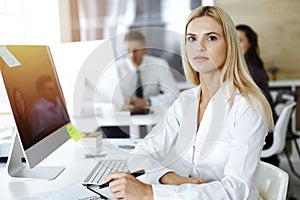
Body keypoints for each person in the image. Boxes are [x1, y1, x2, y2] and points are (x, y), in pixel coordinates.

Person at [104, 6, 274, 199]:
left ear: (230, 45)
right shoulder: (186, 101)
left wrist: (150, 193)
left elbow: (237, 190)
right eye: (191, 38)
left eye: (211, 38)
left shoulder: (247, 107)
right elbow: (141, 153)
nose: (198, 46)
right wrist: (168, 178)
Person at [101, 30, 180, 138]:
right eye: (128, 51)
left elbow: (174, 94)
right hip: (123, 121)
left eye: (136, 50)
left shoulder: (159, 64)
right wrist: (119, 104)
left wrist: (147, 102)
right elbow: (105, 99)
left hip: (154, 118)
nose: (132, 55)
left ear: (144, 49)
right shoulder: (115, 69)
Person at [236, 24, 279, 166]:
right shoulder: (254, 66)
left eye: (240, 40)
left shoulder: (248, 70)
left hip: (263, 132)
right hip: (268, 127)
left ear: (250, 44)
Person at [30, 74, 69, 139]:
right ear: (40, 92)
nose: (54, 91)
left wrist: (77, 138)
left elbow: (66, 121)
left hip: (65, 136)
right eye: (50, 89)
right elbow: (37, 137)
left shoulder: (57, 100)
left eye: (54, 88)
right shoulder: (36, 110)